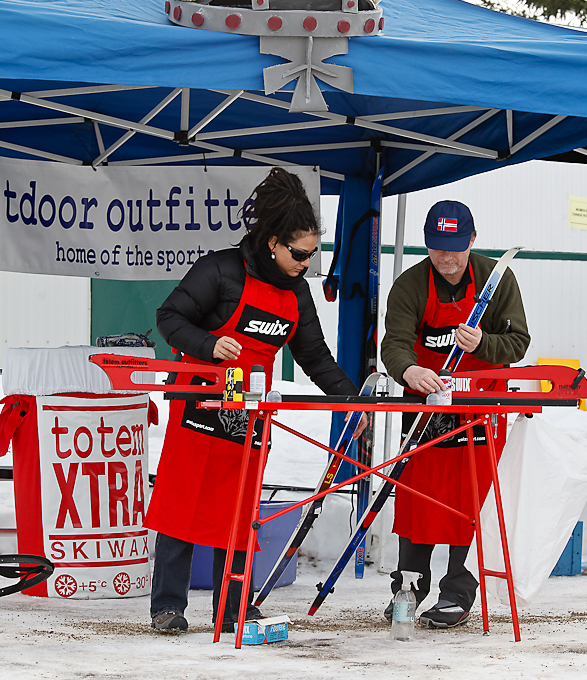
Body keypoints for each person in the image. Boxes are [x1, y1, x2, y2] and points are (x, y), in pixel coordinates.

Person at [145, 167, 366, 633]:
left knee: (239, 509)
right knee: (184, 505)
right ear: (273, 242)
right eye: (299, 253)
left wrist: (352, 401)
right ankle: (168, 606)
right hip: (199, 400)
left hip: (251, 405)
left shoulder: (298, 292)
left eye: (312, 254)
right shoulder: (220, 270)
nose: (306, 262)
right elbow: (169, 317)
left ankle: (234, 608)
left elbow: (316, 357)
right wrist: (209, 346)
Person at [380, 200, 530, 628]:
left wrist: (482, 343)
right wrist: (409, 369)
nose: (446, 257)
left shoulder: (497, 280)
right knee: (416, 497)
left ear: (473, 241)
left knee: (472, 499)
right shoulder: (411, 285)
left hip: (480, 406)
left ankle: (458, 592)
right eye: (437, 247)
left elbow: (517, 342)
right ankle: (409, 586)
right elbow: (394, 344)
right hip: (426, 403)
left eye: (456, 247)